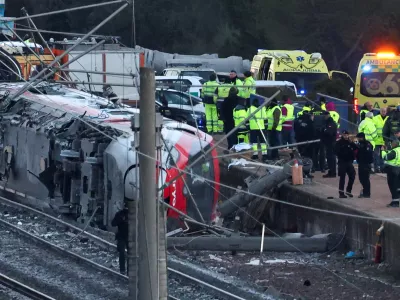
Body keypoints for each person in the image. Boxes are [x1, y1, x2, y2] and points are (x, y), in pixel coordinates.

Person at [335, 130, 357, 198]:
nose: (346, 136)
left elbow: (355, 148)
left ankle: (348, 190)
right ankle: (341, 193)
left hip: (349, 162)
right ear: (342, 135)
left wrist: (351, 143)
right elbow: (336, 151)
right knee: (342, 178)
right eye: (344, 135)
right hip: (342, 162)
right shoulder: (339, 142)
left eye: (347, 135)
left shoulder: (349, 142)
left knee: (352, 175)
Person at [382, 134, 400, 207]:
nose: (391, 144)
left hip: (393, 170)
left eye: (392, 143)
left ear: (395, 143)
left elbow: (386, 157)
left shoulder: (394, 151)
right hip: (398, 169)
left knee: (393, 186)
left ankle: (395, 202)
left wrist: (383, 151)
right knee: (397, 186)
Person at [111, 203, 129, 275]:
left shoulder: (133, 215)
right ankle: (122, 270)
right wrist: (120, 220)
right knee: (122, 252)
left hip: (130, 237)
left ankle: (129, 271)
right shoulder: (119, 214)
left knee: (130, 254)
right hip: (121, 236)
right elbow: (113, 223)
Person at [355, 132, 374, 198]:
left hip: (365, 164)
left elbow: (367, 154)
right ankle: (365, 191)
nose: (358, 139)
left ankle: (367, 193)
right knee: (362, 178)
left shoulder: (365, 144)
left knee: (364, 179)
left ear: (361, 138)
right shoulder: (364, 144)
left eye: (358, 138)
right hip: (362, 163)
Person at [322, 111, 338, 178]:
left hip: (331, 142)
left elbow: (329, 132)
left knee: (331, 157)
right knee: (329, 157)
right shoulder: (328, 122)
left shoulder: (331, 123)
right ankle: (331, 171)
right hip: (328, 142)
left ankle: (332, 172)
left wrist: (324, 130)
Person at [372, 107, 388, 172]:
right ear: (380, 111)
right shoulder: (375, 118)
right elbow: (372, 128)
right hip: (376, 140)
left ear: (386, 112)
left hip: (384, 141)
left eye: (384, 111)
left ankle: (383, 168)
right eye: (382, 111)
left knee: (383, 155)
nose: (383, 112)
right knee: (376, 155)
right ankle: (376, 168)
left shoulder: (388, 118)